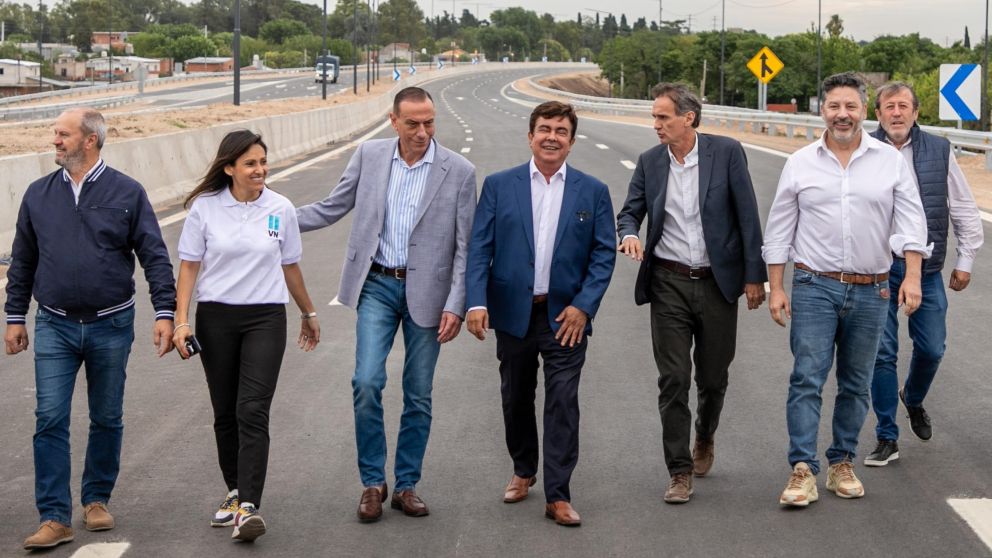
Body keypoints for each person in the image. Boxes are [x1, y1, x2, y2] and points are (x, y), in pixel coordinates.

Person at [296, 86, 477, 522]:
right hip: (376, 283)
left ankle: (407, 485)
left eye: (429, 122)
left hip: (430, 295)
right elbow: (333, 206)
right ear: (393, 121)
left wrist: (457, 303)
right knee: (366, 381)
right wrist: (270, 219)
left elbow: (465, 246)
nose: (422, 131)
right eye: (412, 123)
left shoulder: (460, 170)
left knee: (418, 393)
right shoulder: (370, 156)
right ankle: (373, 483)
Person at [3, 108, 176, 550]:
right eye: (55, 134)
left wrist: (164, 312)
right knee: (50, 418)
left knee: (107, 417)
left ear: (90, 141)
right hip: (55, 325)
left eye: (63, 134)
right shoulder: (38, 194)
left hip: (111, 325)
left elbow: (154, 256)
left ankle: (96, 499)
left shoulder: (127, 192)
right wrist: (15, 317)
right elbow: (22, 260)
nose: (54, 140)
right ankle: (54, 516)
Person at [763, 72, 930, 507]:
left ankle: (841, 462)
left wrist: (911, 276)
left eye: (850, 106)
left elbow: (912, 222)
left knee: (856, 383)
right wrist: (776, 287)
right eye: (834, 106)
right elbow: (780, 229)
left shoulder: (889, 161)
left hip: (871, 289)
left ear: (862, 111)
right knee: (807, 378)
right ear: (823, 110)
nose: (842, 115)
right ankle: (802, 469)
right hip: (813, 285)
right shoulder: (800, 162)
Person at [465, 101, 616, 527]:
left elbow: (603, 255)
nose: (552, 136)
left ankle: (558, 494)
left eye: (561, 130)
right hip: (514, 313)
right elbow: (481, 248)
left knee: (563, 401)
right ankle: (523, 468)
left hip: (565, 317)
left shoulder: (593, 191)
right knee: (515, 396)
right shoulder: (499, 185)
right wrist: (476, 302)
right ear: (530, 136)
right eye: (545, 128)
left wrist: (583, 306)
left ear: (571, 140)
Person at [615, 83, 767, 504]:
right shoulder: (650, 162)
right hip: (668, 283)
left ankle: (706, 433)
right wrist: (628, 233)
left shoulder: (727, 153)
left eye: (663, 117)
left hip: (718, 283)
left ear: (689, 118)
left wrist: (754, 277)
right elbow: (631, 210)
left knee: (713, 377)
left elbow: (748, 216)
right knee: (674, 378)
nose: (656, 125)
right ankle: (679, 470)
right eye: (654, 117)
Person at [171, 130, 319, 542]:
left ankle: (249, 506)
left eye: (263, 162)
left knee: (252, 408)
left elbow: (290, 265)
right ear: (229, 168)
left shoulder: (281, 208)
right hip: (216, 319)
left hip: (266, 318)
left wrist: (308, 311)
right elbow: (188, 267)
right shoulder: (205, 209)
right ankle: (235, 491)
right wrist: (181, 320)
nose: (260, 170)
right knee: (225, 411)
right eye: (251, 163)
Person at [863, 82, 984, 466]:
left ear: (916, 113)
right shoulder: (862, 150)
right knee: (882, 353)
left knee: (932, 348)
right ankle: (887, 436)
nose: (896, 113)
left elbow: (962, 206)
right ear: (878, 114)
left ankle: (912, 398)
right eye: (888, 107)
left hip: (927, 267)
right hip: (878, 268)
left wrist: (965, 260)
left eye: (903, 106)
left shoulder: (939, 150)